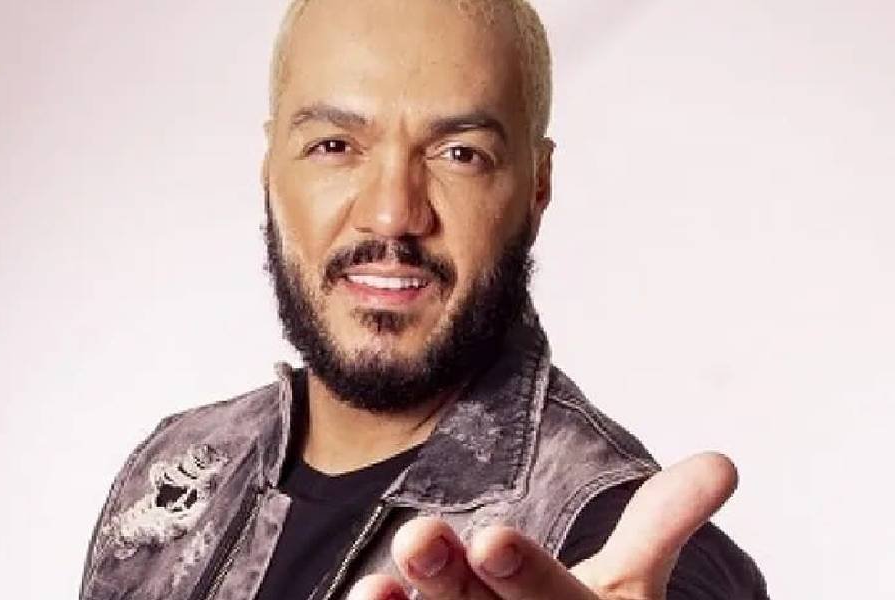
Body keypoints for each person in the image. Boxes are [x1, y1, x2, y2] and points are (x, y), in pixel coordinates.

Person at [79, 0, 767, 599]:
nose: (392, 215)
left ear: (537, 186)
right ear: (270, 167)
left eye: (459, 154)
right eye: (334, 145)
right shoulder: (177, 468)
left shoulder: (617, 545)